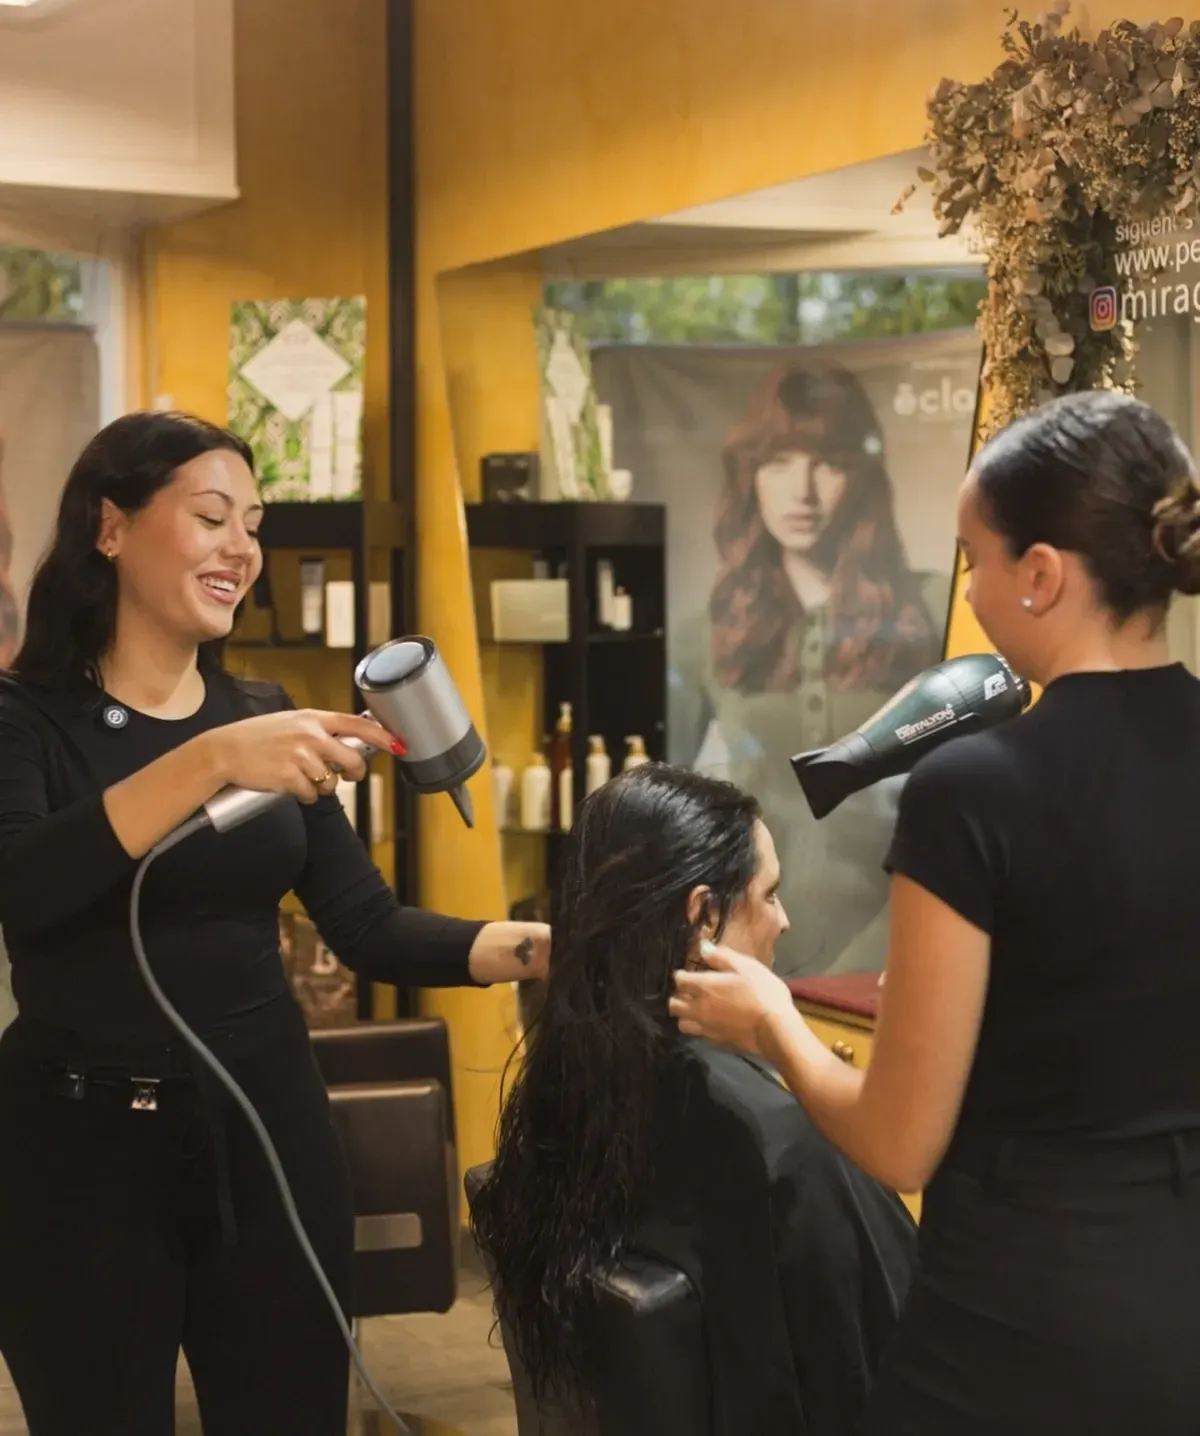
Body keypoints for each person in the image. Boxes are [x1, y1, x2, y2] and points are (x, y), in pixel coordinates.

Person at [0, 411, 550, 1436]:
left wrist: (540, 949)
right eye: (212, 516)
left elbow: (371, 926)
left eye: (253, 524)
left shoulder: (264, 711)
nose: (242, 549)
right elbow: (25, 885)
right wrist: (212, 759)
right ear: (110, 529)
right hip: (76, 1159)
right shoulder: (24, 719)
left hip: (268, 1136)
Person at [670, 389, 1200, 1434]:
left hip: (1023, 1314)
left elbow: (900, 1141)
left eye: (976, 558)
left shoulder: (978, 788)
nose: (968, 588)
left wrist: (773, 1020)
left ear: (1041, 575)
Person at [472, 763, 915, 1436]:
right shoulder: (783, 1144)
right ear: (704, 915)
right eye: (769, 895)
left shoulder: (563, 1083)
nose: (785, 921)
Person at [670, 360, 950, 978]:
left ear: (862, 474)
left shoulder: (936, 610)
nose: (802, 490)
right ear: (751, 478)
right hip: (749, 961)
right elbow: (665, 824)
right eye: (778, 462)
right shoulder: (704, 637)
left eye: (827, 461)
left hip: (903, 958)